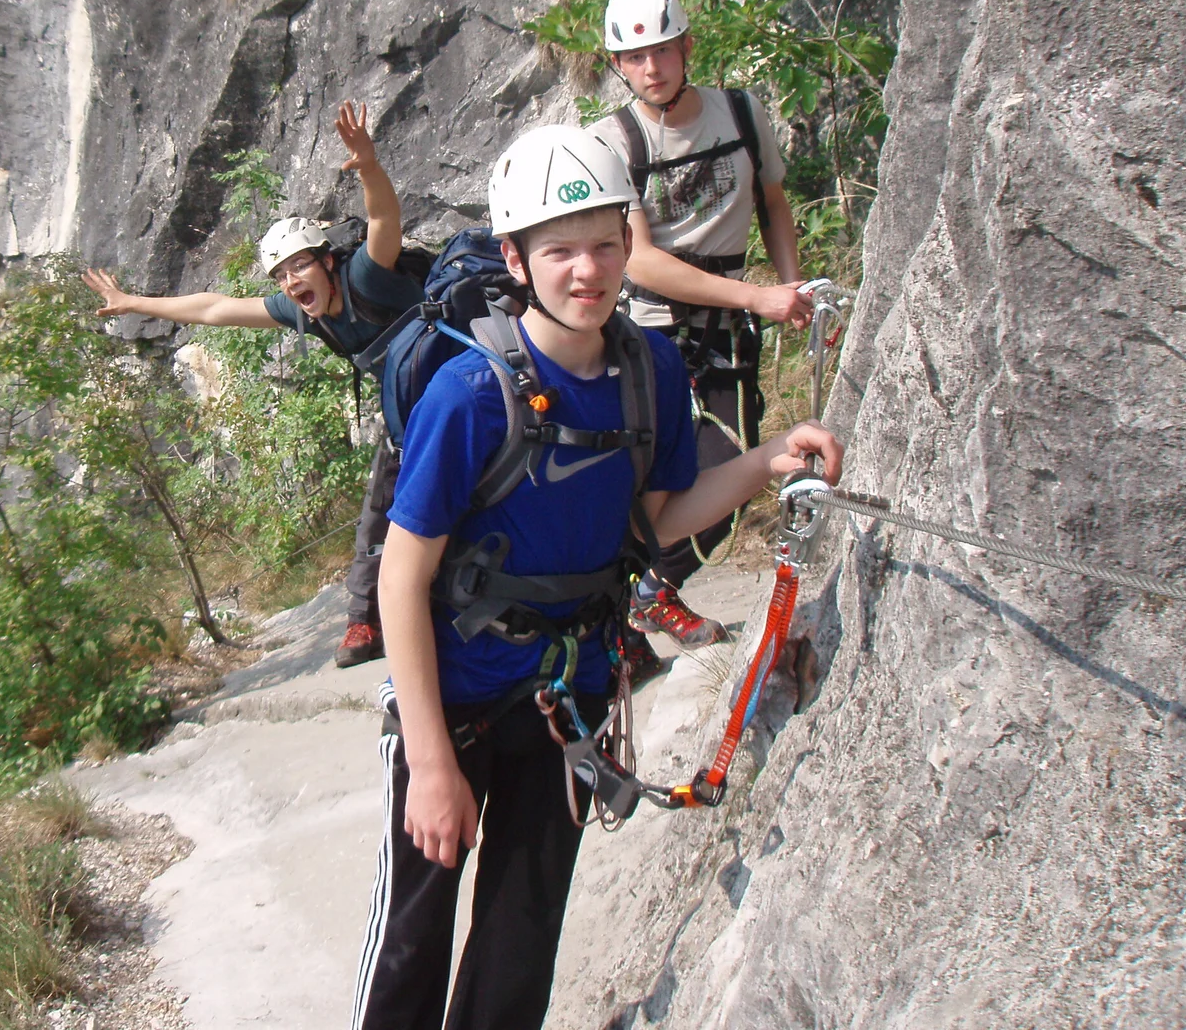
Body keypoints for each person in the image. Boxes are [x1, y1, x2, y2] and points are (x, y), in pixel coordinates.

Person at [351, 124, 841, 1030]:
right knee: (412, 943)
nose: (589, 269)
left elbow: (657, 518)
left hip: (566, 701)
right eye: (561, 251)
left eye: (608, 244)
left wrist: (769, 459)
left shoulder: (645, 365)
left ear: (629, 241)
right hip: (454, 707)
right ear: (515, 258)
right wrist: (427, 761)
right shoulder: (468, 395)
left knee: (521, 938)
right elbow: (398, 580)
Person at [82, 101, 420, 668]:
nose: (290, 281)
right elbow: (215, 308)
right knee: (376, 519)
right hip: (408, 412)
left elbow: (385, 221)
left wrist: (367, 165)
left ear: (327, 263)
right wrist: (132, 302)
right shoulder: (305, 313)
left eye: (299, 266)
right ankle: (364, 625)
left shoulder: (365, 276)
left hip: (453, 390)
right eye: (281, 274)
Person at [590, 0, 814, 650]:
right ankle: (627, 600)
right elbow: (642, 262)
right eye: (633, 59)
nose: (650, 69)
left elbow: (773, 204)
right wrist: (758, 297)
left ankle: (652, 590)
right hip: (651, 332)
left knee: (737, 466)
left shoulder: (740, 115)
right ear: (616, 66)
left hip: (727, 330)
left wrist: (793, 285)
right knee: (655, 479)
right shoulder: (613, 140)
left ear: (687, 47)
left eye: (661, 51)